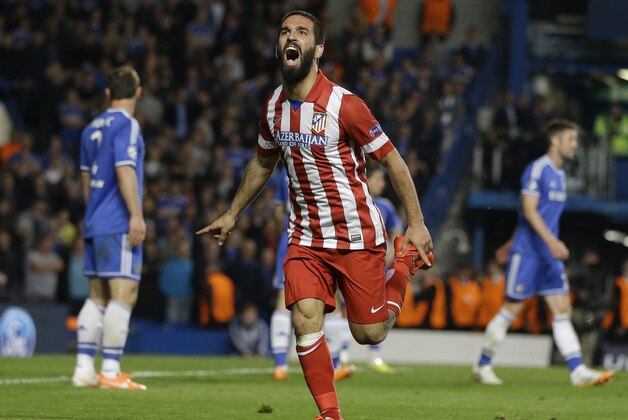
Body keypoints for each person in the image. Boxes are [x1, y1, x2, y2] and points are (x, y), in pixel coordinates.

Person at [197, 11, 433, 420]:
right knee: (305, 318)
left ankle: (405, 266)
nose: (292, 37)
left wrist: (416, 224)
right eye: (285, 31)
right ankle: (329, 414)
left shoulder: (347, 105)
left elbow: (393, 162)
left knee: (368, 333)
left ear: (317, 50)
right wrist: (232, 212)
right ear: (279, 46)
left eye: (302, 32)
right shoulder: (273, 106)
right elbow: (261, 163)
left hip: (357, 234)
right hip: (305, 236)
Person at [472, 119, 615, 387]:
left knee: (562, 308)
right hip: (528, 254)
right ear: (555, 140)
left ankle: (577, 371)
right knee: (511, 310)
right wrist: (548, 241)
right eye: (571, 139)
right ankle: (482, 364)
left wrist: (519, 240)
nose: (575, 145)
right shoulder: (538, 170)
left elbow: (531, 216)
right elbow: (528, 209)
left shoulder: (560, 175)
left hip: (547, 255)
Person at [71, 65, 147, 391]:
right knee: (124, 292)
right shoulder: (128, 125)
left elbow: (86, 180)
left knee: (97, 295)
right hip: (118, 222)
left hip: (94, 220)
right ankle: (112, 370)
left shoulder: (90, 129)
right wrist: (136, 215)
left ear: (107, 92)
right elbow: (125, 170)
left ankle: (84, 369)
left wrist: (93, 215)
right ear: (138, 92)